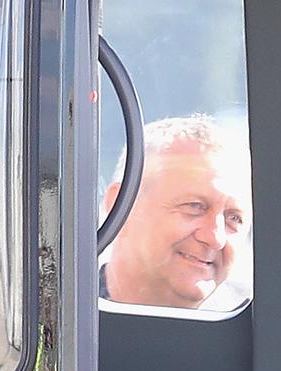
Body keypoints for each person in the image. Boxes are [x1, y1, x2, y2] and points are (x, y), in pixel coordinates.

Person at [100, 115, 251, 310]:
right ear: (119, 206)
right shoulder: (56, 320)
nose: (216, 238)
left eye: (234, 218)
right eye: (194, 206)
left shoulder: (258, 334)